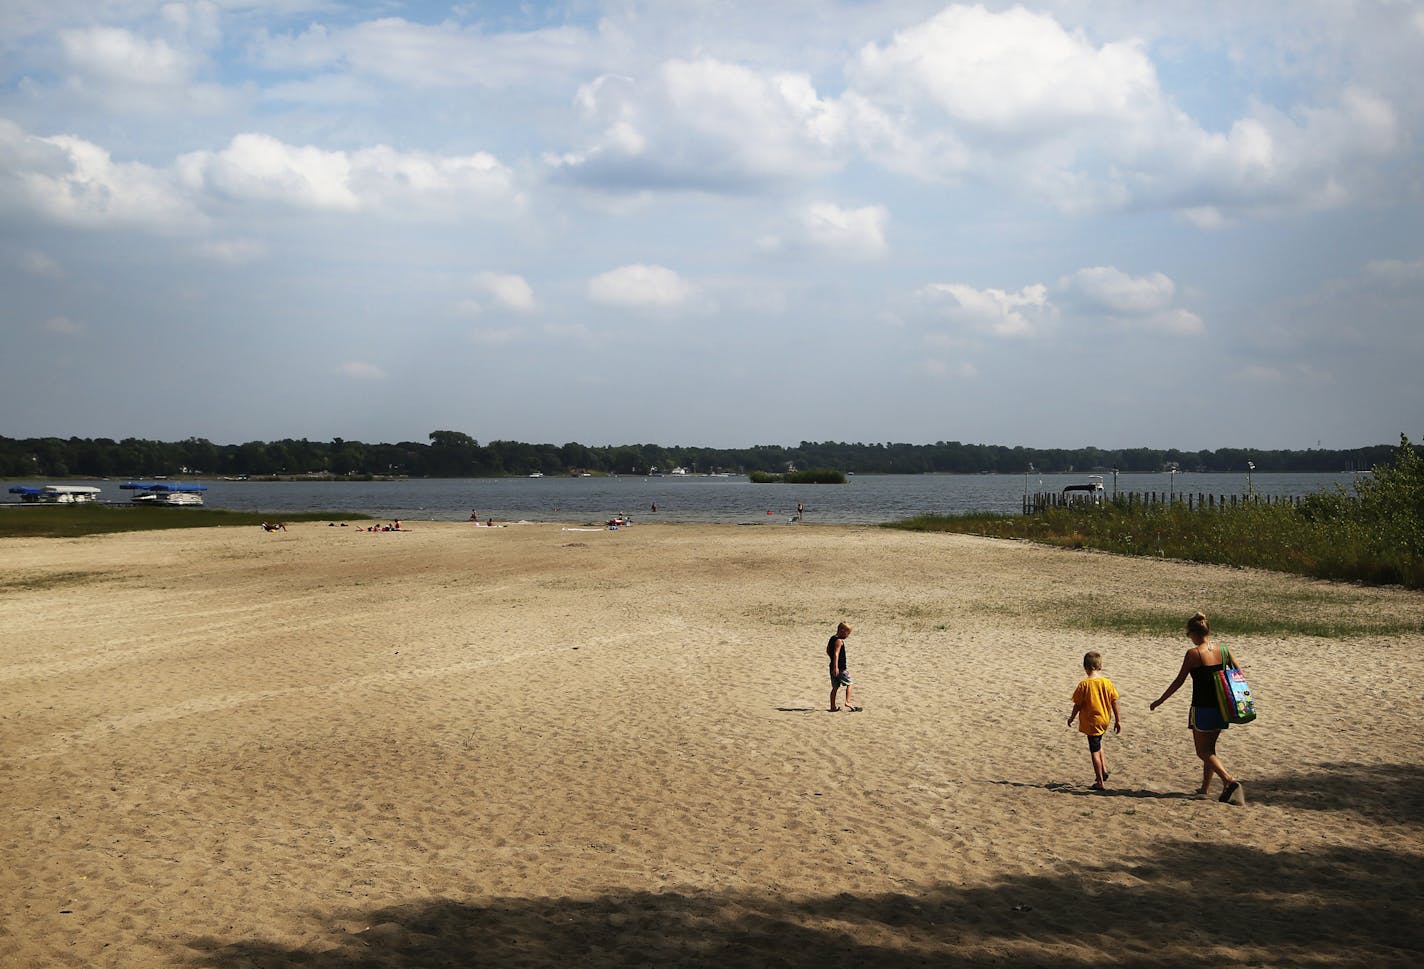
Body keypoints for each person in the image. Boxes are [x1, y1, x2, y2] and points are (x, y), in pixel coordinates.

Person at [1150, 611, 1244, 804]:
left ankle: (1229, 780)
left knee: (1202, 751)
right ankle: (1205, 788)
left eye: (1188, 634)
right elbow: (1238, 672)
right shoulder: (1223, 649)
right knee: (1210, 749)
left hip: (1202, 707)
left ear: (1194, 633)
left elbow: (1179, 681)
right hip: (1223, 707)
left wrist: (1160, 700)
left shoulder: (1194, 654)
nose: (1189, 638)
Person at [1068, 651, 1120, 790]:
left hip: (1092, 722)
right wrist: (1118, 720)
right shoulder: (1107, 683)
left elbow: (1077, 705)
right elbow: (1114, 701)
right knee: (1098, 743)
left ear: (1085, 667)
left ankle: (1100, 782)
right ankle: (1104, 769)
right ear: (1100, 667)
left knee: (1094, 751)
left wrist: (1071, 718)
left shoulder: (1084, 684)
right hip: (1104, 720)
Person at [826, 622, 859, 712]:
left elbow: (828, 650)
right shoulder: (839, 641)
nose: (848, 636)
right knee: (849, 683)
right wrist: (836, 667)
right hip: (840, 668)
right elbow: (836, 654)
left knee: (835, 687)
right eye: (847, 633)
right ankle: (848, 702)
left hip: (833, 667)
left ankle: (832, 707)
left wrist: (832, 661)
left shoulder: (832, 638)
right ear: (842, 631)